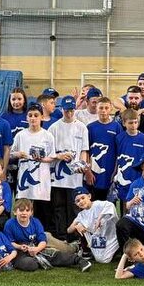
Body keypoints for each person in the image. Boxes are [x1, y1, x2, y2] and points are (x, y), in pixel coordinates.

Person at [2, 198, 91, 272]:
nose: (24, 213)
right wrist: (20, 247)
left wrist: (37, 249)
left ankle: (78, 256)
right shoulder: (9, 224)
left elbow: (42, 240)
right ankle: (41, 259)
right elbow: (9, 243)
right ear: (15, 212)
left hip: (37, 245)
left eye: (27, 210)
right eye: (21, 210)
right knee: (30, 265)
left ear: (31, 212)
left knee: (58, 253)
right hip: (19, 250)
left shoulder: (35, 222)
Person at [49, 95, 90, 239]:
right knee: (59, 207)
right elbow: (49, 152)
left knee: (74, 207)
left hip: (75, 176)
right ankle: (61, 236)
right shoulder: (54, 128)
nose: (69, 113)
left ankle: (75, 237)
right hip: (58, 176)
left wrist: (82, 165)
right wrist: (59, 156)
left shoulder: (82, 127)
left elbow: (84, 150)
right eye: (67, 110)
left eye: (72, 110)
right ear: (62, 110)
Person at [11, 104, 56, 228]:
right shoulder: (21, 135)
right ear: (26, 118)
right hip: (24, 178)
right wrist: (17, 154)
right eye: (30, 115)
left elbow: (52, 157)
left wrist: (41, 159)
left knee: (42, 211)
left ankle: (42, 234)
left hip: (41, 178)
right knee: (22, 208)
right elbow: (11, 154)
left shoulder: (48, 136)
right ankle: (20, 232)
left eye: (36, 115)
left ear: (41, 117)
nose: (33, 118)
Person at [68, 187, 119, 263]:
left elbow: (111, 205)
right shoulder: (81, 215)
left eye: (83, 198)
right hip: (100, 240)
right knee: (101, 259)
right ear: (76, 204)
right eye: (78, 201)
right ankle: (85, 249)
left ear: (89, 196)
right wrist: (77, 225)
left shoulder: (99, 204)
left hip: (113, 236)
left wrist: (99, 218)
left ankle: (119, 247)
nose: (81, 201)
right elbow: (69, 230)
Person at [86, 96, 121, 201]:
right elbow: (86, 151)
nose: (103, 111)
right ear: (96, 108)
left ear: (111, 109)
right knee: (94, 203)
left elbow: (119, 152)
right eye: (101, 108)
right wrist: (88, 171)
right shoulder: (90, 127)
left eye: (106, 108)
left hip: (110, 172)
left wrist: (115, 171)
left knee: (109, 205)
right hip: (94, 173)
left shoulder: (116, 127)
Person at [111, 108, 144, 203]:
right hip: (123, 174)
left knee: (136, 201)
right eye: (130, 123)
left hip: (137, 175)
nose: (133, 125)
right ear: (124, 123)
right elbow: (117, 157)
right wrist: (114, 173)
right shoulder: (119, 138)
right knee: (124, 201)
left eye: (136, 122)